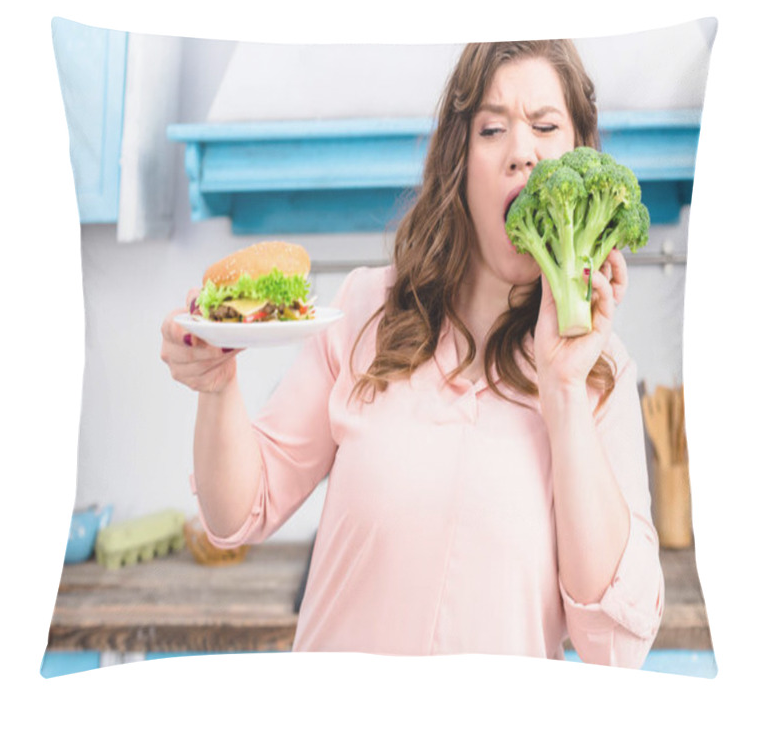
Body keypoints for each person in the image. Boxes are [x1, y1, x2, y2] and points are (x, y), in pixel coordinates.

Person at [160, 40, 664, 666]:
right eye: (491, 128)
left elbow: (615, 649)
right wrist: (217, 385)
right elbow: (238, 511)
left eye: (544, 126)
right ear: (460, 157)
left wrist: (563, 392)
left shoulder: (601, 376)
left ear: (579, 153)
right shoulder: (367, 308)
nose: (521, 152)